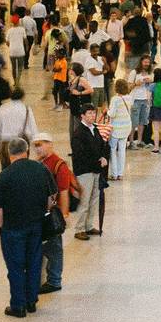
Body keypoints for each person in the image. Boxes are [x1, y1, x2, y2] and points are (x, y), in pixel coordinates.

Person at [0, 138, 56, 318]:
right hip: (36, 225)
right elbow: (51, 198)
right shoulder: (41, 169)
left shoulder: (4, 176)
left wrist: (2, 226)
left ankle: (18, 306)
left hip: (12, 228)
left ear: (10, 154)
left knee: (16, 267)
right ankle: (31, 301)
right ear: (27, 151)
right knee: (34, 263)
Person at [32, 133, 73, 295]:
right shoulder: (39, 163)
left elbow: (64, 191)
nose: (37, 148)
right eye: (35, 145)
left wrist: (64, 214)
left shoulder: (58, 165)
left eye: (40, 144)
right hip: (40, 213)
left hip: (52, 215)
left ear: (50, 144)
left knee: (54, 248)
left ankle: (54, 280)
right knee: (43, 248)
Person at [71, 103, 109, 241]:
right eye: (89, 113)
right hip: (85, 171)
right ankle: (79, 228)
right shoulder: (78, 133)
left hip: (96, 170)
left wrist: (104, 157)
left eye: (94, 113)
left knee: (94, 199)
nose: (93, 116)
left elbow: (102, 145)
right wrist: (98, 161)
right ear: (82, 115)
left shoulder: (95, 129)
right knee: (84, 200)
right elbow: (81, 154)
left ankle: (88, 225)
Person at [0, 87, 38, 168]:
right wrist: (36, 145)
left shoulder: (3, 108)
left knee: (6, 171)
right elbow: (33, 129)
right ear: (22, 97)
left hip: (6, 145)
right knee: (22, 170)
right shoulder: (26, 109)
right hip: (22, 144)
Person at [106, 79, 132, 180]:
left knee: (112, 149)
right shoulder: (129, 98)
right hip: (126, 126)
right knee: (122, 150)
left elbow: (112, 114)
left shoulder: (115, 99)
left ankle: (114, 173)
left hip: (116, 128)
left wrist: (107, 111)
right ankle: (120, 174)